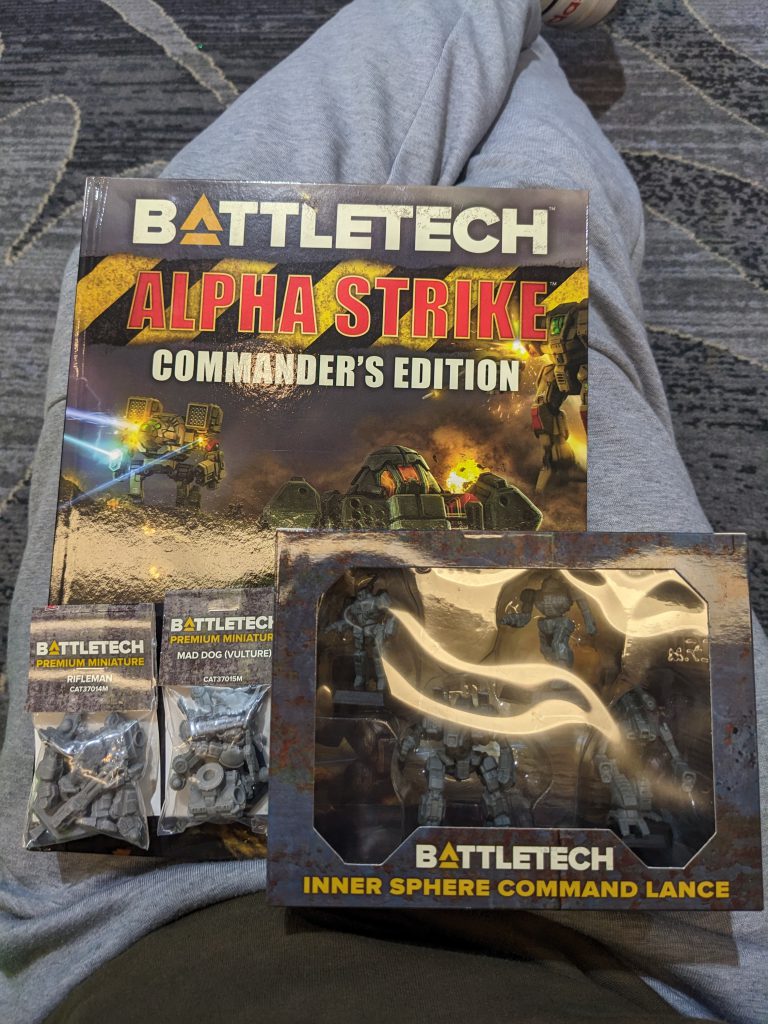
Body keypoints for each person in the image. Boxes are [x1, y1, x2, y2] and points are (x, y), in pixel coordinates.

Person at [1, 2, 765, 1021]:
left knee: (142, 286)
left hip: (145, 906)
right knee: (563, 302)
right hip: (645, 940)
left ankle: (501, 19)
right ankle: (519, 31)